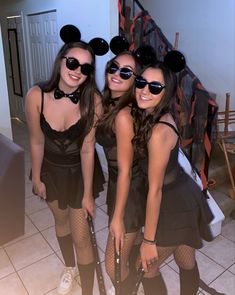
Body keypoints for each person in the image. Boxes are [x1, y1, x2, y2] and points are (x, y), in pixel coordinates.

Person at [25, 27, 106, 295]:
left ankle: (87, 292)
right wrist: (36, 177)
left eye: (85, 67)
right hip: (51, 171)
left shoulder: (93, 100)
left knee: (81, 236)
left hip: (79, 173)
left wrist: (86, 194)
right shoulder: (35, 96)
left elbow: (87, 148)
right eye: (72, 62)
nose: (77, 70)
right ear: (61, 60)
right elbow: (36, 141)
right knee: (60, 223)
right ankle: (69, 268)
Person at [131, 61, 214, 295]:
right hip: (182, 193)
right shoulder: (157, 114)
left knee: (145, 266)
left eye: (155, 87)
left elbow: (155, 190)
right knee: (185, 260)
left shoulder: (158, 131)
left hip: (174, 202)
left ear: (165, 93)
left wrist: (148, 241)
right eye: (141, 82)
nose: (145, 90)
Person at [96, 49, 147, 294]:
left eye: (125, 71)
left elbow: (126, 170)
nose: (116, 73)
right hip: (120, 185)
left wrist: (117, 217)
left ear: (134, 80)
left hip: (131, 190)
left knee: (111, 264)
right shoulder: (110, 103)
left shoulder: (125, 115)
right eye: (113, 66)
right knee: (128, 252)